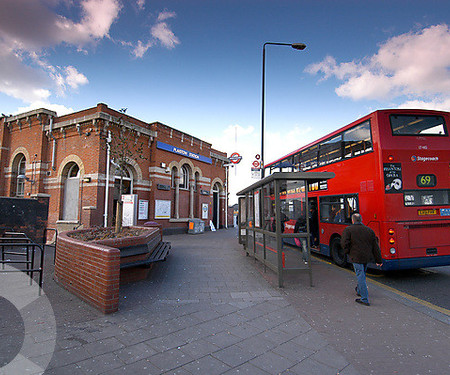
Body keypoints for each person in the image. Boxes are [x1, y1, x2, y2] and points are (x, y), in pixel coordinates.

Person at [341, 213, 383, 306]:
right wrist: (378, 260)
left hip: (355, 256)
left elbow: (344, 244)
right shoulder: (369, 230)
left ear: (353, 220)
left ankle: (364, 299)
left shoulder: (348, 230)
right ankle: (359, 290)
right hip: (366, 257)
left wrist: (347, 252)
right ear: (361, 220)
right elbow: (375, 247)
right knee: (362, 274)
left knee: (361, 276)